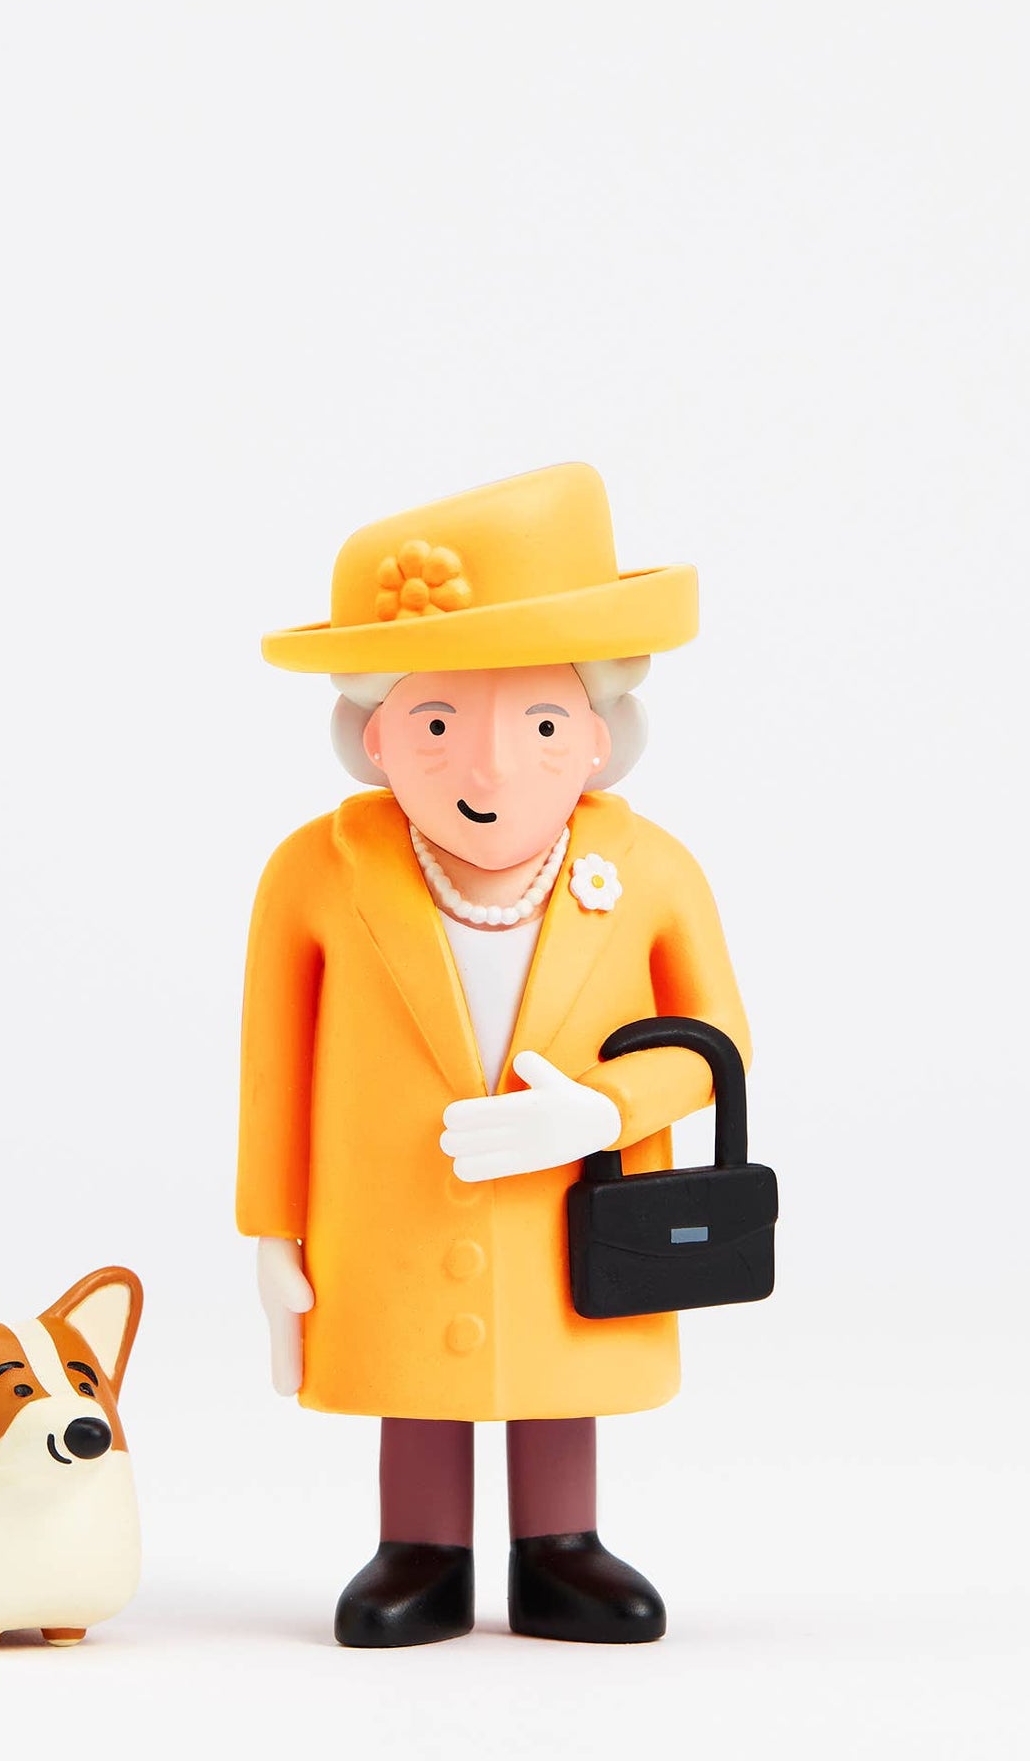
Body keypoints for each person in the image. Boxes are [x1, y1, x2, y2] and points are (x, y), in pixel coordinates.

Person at [238, 462, 749, 1647]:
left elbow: (717, 1042)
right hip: (387, 1209)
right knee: (415, 1378)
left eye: (540, 724)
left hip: (575, 1201)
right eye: (436, 724)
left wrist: (600, 1112)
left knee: (556, 1364)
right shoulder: (314, 872)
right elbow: (273, 1062)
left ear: (599, 736)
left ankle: (558, 1543)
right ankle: (418, 1545)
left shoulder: (652, 871)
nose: (488, 769)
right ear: (372, 733)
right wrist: (271, 1233)